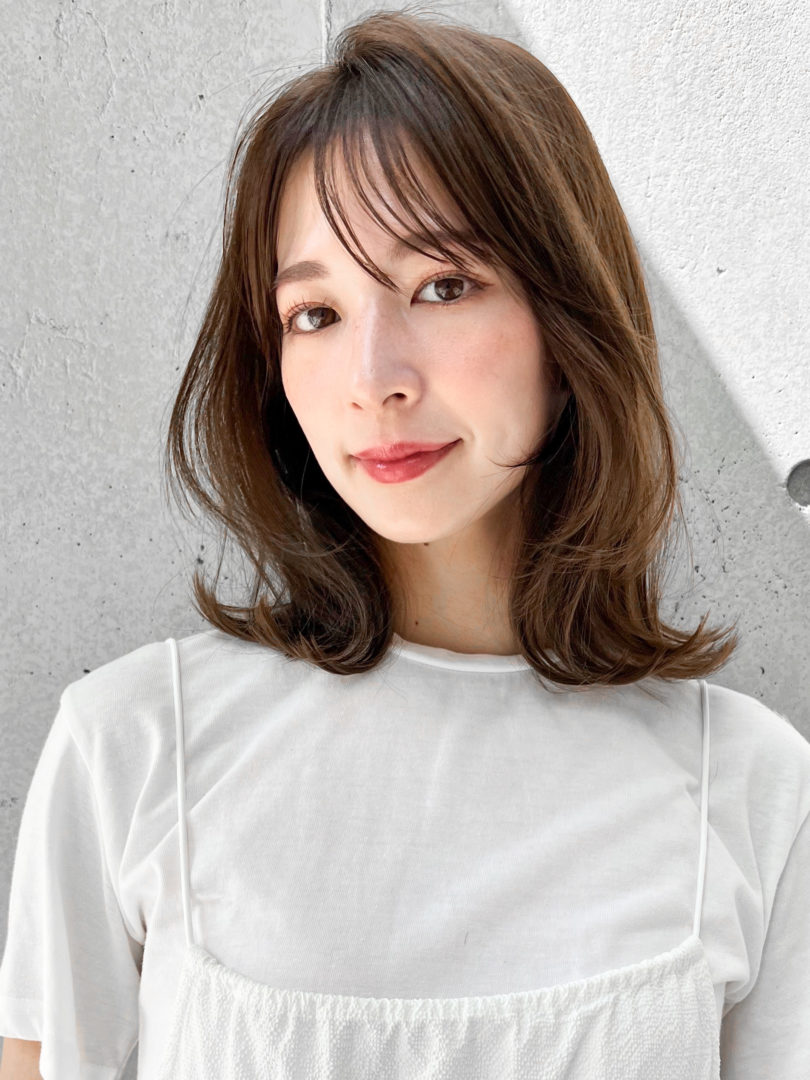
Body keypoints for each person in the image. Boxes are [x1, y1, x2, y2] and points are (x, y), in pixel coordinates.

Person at [1, 6, 809, 1078]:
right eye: (315, 314)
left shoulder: (751, 789)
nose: (374, 378)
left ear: (569, 320)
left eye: (443, 286)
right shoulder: (133, 747)